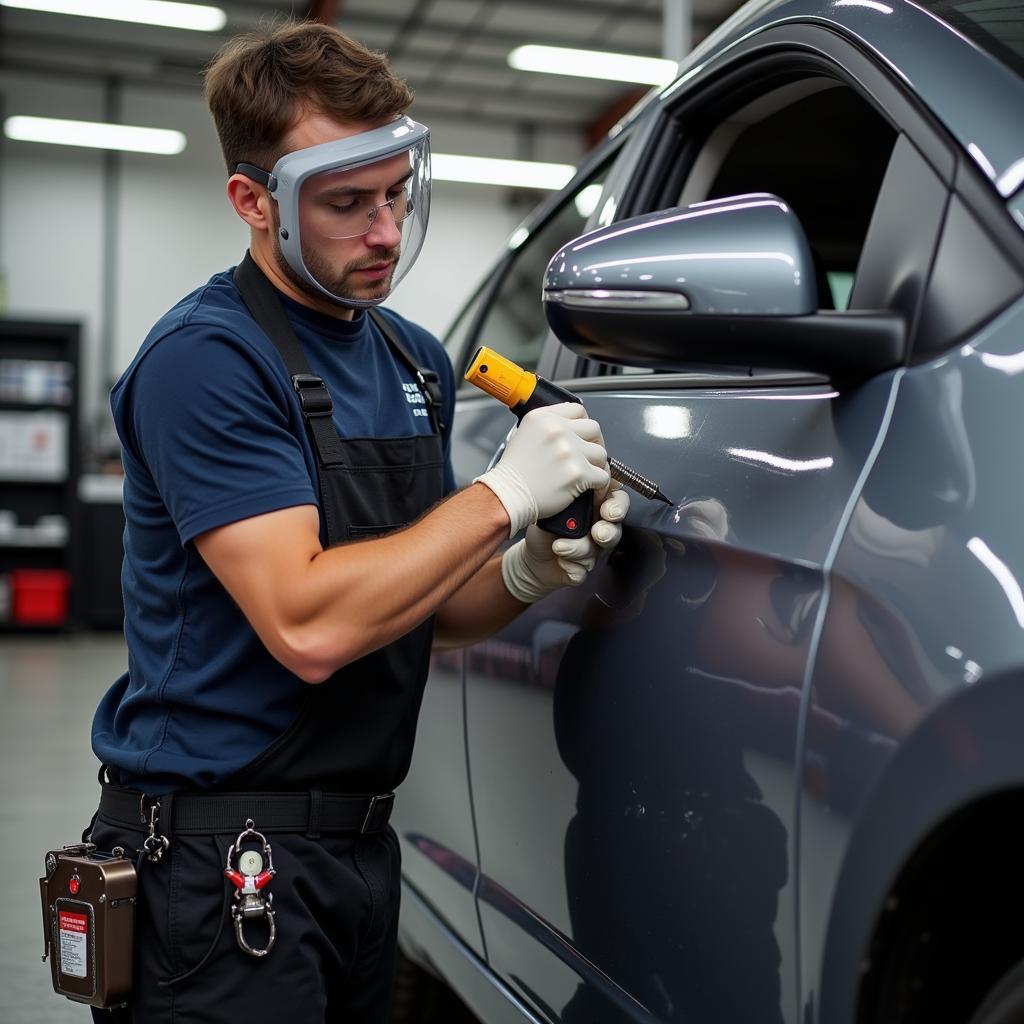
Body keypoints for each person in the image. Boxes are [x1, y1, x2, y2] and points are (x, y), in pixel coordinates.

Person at [84, 20, 628, 1023]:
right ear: (253, 201)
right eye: (346, 204)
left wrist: (525, 570)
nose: (384, 232)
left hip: (358, 857)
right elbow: (310, 623)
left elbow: (418, 603)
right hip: (221, 871)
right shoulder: (208, 362)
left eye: (396, 196)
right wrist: (501, 497)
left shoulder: (412, 358)